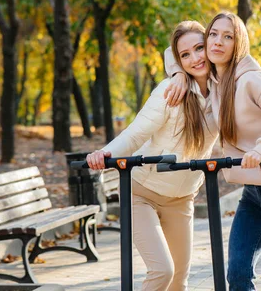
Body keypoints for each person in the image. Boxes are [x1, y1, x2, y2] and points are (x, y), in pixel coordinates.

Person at [164, 12, 261, 291]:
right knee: (237, 275)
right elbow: (171, 50)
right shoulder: (213, 81)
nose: (218, 42)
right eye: (213, 34)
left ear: (239, 44)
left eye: (228, 36)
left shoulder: (253, 81)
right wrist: (177, 73)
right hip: (252, 195)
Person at [86, 21, 218, 291]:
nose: (195, 58)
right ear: (178, 60)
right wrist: (105, 153)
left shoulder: (223, 91)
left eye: (199, 48)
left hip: (182, 199)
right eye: (185, 55)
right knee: (162, 271)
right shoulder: (170, 91)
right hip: (141, 193)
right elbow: (135, 134)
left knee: (179, 282)